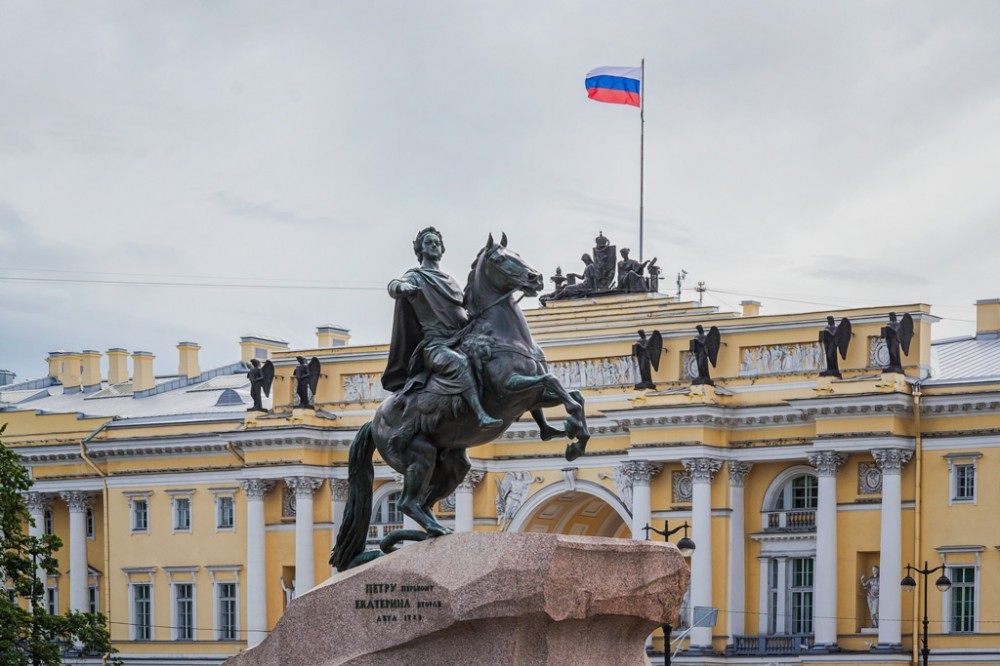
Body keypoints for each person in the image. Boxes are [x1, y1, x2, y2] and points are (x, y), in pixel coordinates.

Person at [382, 227, 502, 429]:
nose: (434, 246)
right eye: (429, 243)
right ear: (420, 249)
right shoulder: (415, 276)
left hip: (460, 339)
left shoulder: (451, 281)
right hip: (435, 345)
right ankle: (481, 415)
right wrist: (401, 287)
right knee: (460, 363)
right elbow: (394, 285)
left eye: (437, 243)